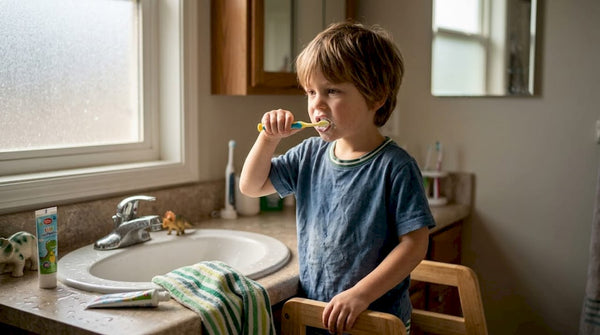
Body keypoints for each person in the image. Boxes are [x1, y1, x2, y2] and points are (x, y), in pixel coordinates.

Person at [239, 22, 435, 334]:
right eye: (310, 92)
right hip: (318, 314)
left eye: (331, 91)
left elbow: (415, 245)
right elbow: (251, 186)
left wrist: (360, 295)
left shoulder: (395, 166)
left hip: (375, 321)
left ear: (377, 97)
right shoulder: (308, 154)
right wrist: (268, 140)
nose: (316, 105)